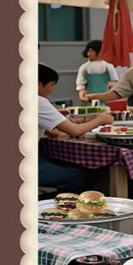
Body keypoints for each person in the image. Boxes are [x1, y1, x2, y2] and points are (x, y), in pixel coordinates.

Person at [39, 64, 114, 192]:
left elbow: (43, 126)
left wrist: (57, 134)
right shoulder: (38, 101)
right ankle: (65, 209)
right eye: (52, 85)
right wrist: (100, 120)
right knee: (77, 177)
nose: (52, 90)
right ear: (39, 84)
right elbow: (74, 130)